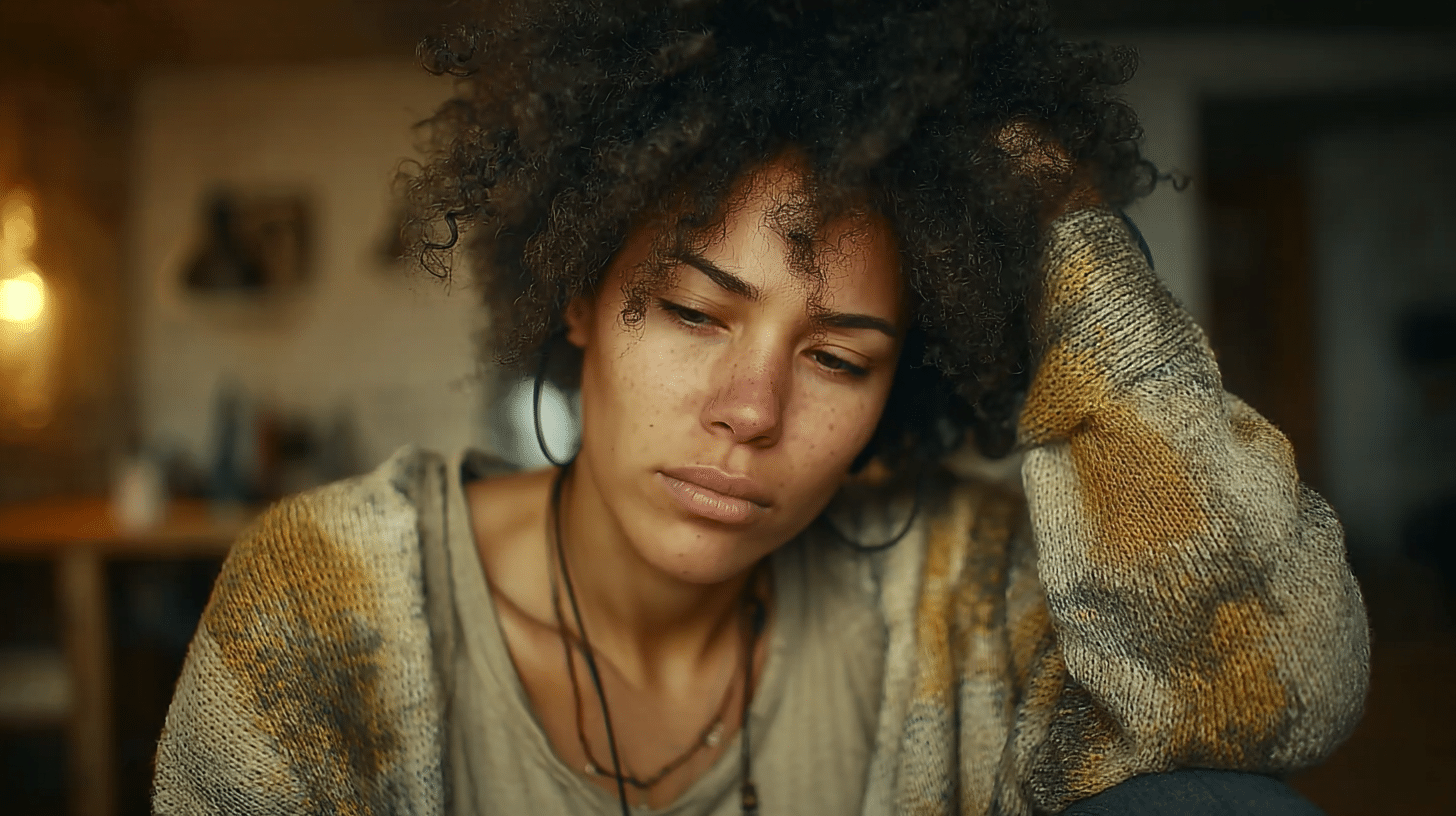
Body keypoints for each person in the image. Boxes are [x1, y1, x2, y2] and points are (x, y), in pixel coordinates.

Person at [151, 1, 1370, 814]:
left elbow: (1271, 696)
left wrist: (1070, 252)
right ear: (577, 297)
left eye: (839, 359)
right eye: (691, 312)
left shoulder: (960, 591)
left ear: (904, 382)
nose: (752, 409)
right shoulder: (329, 594)